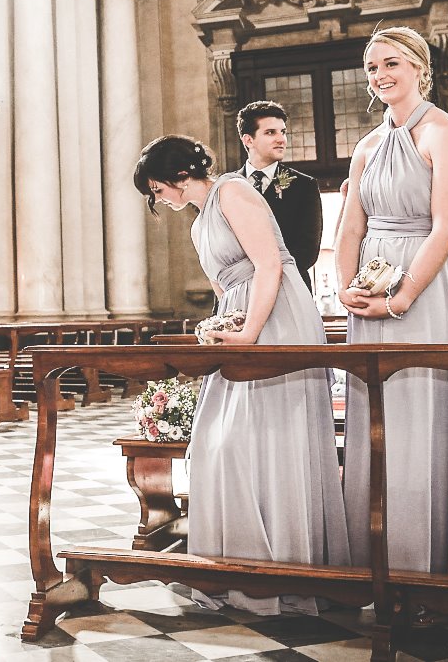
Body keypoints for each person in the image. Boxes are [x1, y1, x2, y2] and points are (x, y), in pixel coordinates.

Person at [134, 135, 348, 614]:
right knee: (219, 442)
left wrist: (251, 331)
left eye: (155, 188)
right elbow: (223, 289)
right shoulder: (198, 222)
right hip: (241, 319)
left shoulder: (233, 192)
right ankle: (236, 562)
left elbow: (270, 264)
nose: (157, 199)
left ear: (173, 175)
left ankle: (288, 564)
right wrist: (219, 325)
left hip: (276, 316)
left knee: (270, 436)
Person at [336, 26, 448, 597]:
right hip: (368, 290)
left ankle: (431, 569)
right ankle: (371, 562)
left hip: (424, 292)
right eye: (373, 66)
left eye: (392, 63)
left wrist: (402, 296)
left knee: (420, 420)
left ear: (420, 68)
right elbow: (350, 226)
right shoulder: (366, 146)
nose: (380, 75)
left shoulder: (443, 131)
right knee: (375, 422)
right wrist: (344, 288)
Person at [234, 100, 321, 290]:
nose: (281, 139)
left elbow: (307, 252)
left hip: (288, 287)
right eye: (270, 132)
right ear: (248, 140)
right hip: (237, 288)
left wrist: (267, 278)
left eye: (283, 132)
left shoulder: (304, 186)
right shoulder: (226, 187)